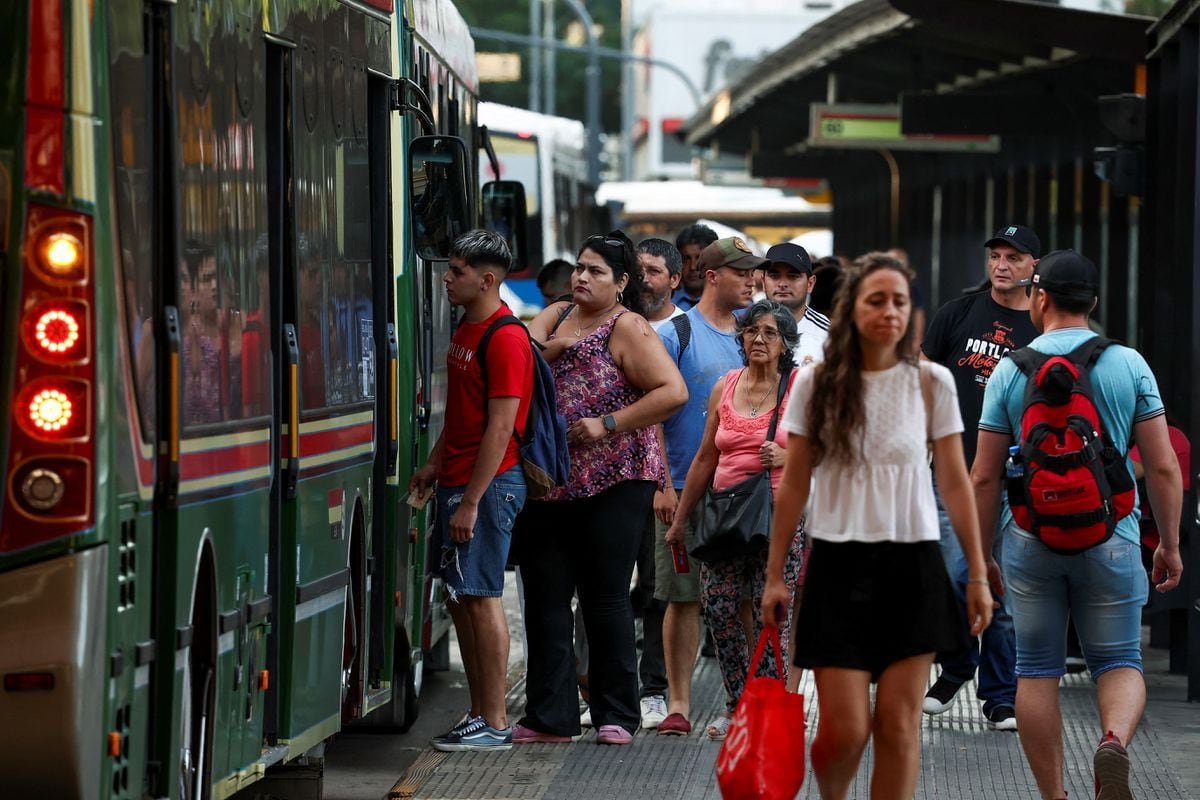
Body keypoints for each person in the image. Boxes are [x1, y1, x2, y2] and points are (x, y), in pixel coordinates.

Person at [761, 252, 993, 800]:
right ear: (851, 310)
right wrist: (777, 575)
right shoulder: (816, 384)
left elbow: (957, 483)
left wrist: (978, 573)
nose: (889, 311)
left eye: (899, 302)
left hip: (913, 566)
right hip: (838, 565)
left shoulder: (932, 383)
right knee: (845, 730)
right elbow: (793, 484)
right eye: (876, 300)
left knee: (897, 725)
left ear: (912, 315)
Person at [972, 248, 1183, 800]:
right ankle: (1112, 741)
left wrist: (981, 558)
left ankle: (1054, 796)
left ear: (1039, 297)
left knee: (1036, 669)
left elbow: (984, 478)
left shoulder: (1009, 369)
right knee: (1118, 660)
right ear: (1092, 301)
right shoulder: (1129, 364)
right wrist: (1172, 545)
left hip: (1030, 540)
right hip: (1112, 535)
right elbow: (1162, 465)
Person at [513, 230, 687, 746]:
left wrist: (607, 423)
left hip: (616, 478)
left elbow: (672, 392)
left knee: (604, 597)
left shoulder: (628, 326)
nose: (583, 277)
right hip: (552, 479)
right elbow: (521, 353)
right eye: (580, 267)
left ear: (622, 282)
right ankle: (551, 716)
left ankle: (617, 713)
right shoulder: (559, 315)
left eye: (597, 271)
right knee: (545, 597)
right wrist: (555, 347)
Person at [410, 230, 534, 752]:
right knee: (460, 598)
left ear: (486, 280)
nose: (446, 276)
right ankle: (479, 713)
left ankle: (495, 720)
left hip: (488, 486)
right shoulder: (467, 326)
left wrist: (471, 500)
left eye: (457, 270)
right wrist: (434, 465)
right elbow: (464, 416)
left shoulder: (505, 338)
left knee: (481, 599)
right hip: (458, 480)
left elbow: (501, 429)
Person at [919, 224, 1041, 731]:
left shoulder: (1041, 325)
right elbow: (923, 369)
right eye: (995, 255)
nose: (1002, 265)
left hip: (1015, 477)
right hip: (953, 472)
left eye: (1014, 257)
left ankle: (1000, 694)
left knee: (1005, 586)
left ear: (1034, 266)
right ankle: (959, 662)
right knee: (953, 575)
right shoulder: (958, 312)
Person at [666, 300, 805, 741]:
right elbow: (706, 456)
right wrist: (680, 518)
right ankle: (737, 704)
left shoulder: (800, 387)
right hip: (726, 517)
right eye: (751, 332)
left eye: (770, 333)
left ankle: (765, 708)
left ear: (786, 344)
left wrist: (789, 455)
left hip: (779, 518)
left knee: (771, 614)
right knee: (721, 609)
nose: (759, 340)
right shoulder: (725, 385)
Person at [654, 236, 762, 736]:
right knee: (684, 596)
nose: (753, 282)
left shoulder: (753, 333)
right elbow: (651, 410)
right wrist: (662, 484)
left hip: (741, 492)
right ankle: (678, 702)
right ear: (712, 275)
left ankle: (744, 700)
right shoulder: (677, 331)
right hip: (682, 484)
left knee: (743, 599)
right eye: (743, 274)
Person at [762, 242, 830, 366]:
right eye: (774, 275)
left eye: (793, 276)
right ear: (763, 281)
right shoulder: (746, 330)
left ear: (810, 284)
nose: (782, 284)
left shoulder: (828, 336)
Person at [637, 237, 685, 331]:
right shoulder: (614, 324)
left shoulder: (687, 331)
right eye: (637, 270)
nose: (644, 279)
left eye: (653, 271)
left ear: (674, 279)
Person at [673, 223, 719, 311]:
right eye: (687, 258)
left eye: (699, 258)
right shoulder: (665, 304)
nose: (693, 267)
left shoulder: (734, 307)